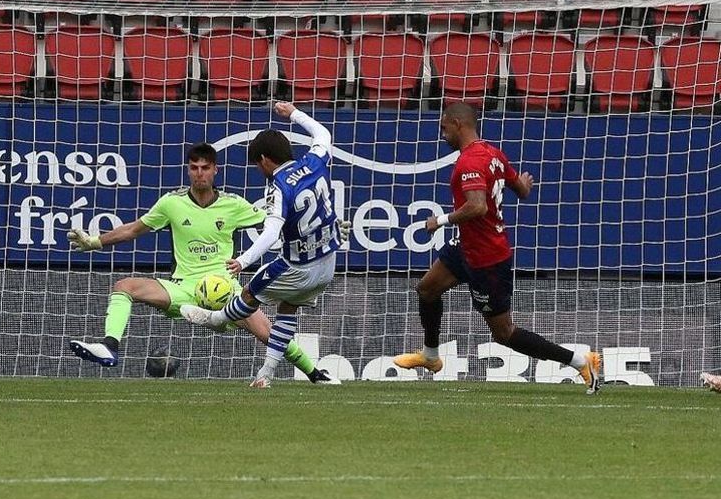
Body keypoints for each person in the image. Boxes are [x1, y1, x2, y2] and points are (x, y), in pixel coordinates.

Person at [67, 141, 343, 385]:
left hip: (225, 291)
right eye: (194, 168)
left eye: (205, 168)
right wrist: (94, 242)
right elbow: (132, 230)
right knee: (125, 285)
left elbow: (278, 222)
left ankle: (314, 373)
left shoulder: (234, 204)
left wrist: (321, 232)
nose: (200, 173)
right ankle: (109, 346)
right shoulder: (171, 203)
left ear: (215, 171)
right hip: (184, 289)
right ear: (188, 170)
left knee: (269, 333)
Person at [391, 102, 602, 393]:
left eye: (443, 127)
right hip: (466, 246)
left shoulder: (469, 163)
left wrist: (439, 220)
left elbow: (477, 207)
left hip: (487, 258)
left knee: (504, 333)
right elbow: (522, 190)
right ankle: (430, 356)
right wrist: (524, 183)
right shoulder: (493, 154)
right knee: (427, 289)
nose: (441, 134)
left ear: (458, 124)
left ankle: (580, 361)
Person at [180, 103, 343, 389]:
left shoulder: (279, 186)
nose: (259, 169)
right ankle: (265, 375)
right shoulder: (315, 161)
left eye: (257, 164)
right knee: (288, 308)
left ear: (265, 159)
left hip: (297, 266)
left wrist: (243, 260)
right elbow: (323, 134)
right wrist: (294, 114)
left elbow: (270, 232)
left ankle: (217, 319)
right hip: (328, 263)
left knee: (248, 295)